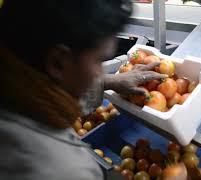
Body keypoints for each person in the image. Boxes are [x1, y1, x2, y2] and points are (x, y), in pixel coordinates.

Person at [0, 0, 180, 179]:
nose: (100, 72)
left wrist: (108, 82)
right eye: (98, 60)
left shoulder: (16, 90)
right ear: (58, 62)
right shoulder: (64, 169)